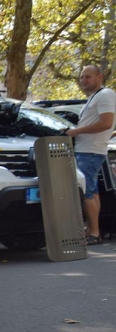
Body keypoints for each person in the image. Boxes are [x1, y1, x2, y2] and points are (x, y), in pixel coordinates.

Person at [65, 64, 116, 245]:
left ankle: (94, 232)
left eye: (88, 77)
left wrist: (76, 131)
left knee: (87, 192)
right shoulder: (94, 97)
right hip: (87, 150)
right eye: (81, 77)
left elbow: (106, 122)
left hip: (90, 151)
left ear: (100, 77)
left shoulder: (105, 95)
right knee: (92, 191)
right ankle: (92, 230)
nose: (83, 81)